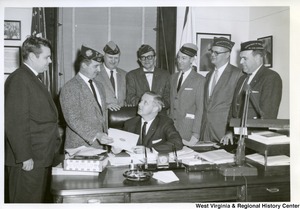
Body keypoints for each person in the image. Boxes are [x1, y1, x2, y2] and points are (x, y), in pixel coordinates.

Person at [5, 36, 61, 203]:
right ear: (31, 56)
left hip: (39, 157)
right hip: (28, 160)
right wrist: (24, 156)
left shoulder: (31, 77)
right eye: (46, 57)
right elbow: (15, 122)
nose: (50, 61)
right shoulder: (19, 79)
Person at [221, 40, 282, 145]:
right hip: (237, 139)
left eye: (245, 58)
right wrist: (230, 131)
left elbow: (268, 116)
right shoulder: (242, 79)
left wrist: (252, 139)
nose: (240, 62)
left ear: (258, 58)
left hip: (255, 140)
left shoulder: (271, 78)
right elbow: (233, 109)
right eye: (241, 58)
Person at [59, 45, 113, 149]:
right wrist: (96, 135)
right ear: (84, 65)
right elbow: (73, 119)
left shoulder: (99, 86)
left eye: (100, 66)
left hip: (101, 145)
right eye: (95, 66)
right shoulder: (70, 87)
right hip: (80, 147)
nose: (99, 70)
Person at [200, 37, 242, 144]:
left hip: (224, 132)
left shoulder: (237, 74)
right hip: (206, 130)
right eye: (212, 51)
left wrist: (231, 130)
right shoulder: (209, 75)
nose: (212, 55)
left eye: (216, 52)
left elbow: (238, 107)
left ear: (227, 54)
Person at [114, 92, 183, 153]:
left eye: (145, 102)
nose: (139, 104)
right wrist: (116, 147)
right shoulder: (130, 123)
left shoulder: (165, 123)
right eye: (140, 101)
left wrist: (150, 150)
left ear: (155, 108)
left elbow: (177, 143)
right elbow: (120, 142)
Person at [169, 43, 205, 146]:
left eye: (183, 58)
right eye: (178, 57)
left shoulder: (200, 80)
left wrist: (196, 133)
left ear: (192, 60)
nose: (179, 61)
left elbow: (200, 109)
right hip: (172, 129)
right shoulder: (173, 78)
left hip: (188, 131)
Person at [126, 44, 170, 109]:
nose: (146, 60)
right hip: (141, 112)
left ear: (155, 58)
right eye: (143, 58)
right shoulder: (132, 75)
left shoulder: (165, 75)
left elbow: (168, 96)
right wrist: (146, 105)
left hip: (160, 113)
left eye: (150, 57)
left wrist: (157, 106)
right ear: (139, 60)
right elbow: (130, 97)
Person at [94, 41, 127, 111]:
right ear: (104, 56)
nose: (113, 61)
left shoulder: (125, 74)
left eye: (116, 58)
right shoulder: (95, 73)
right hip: (102, 115)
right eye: (110, 57)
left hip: (121, 117)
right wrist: (105, 105)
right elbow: (89, 98)